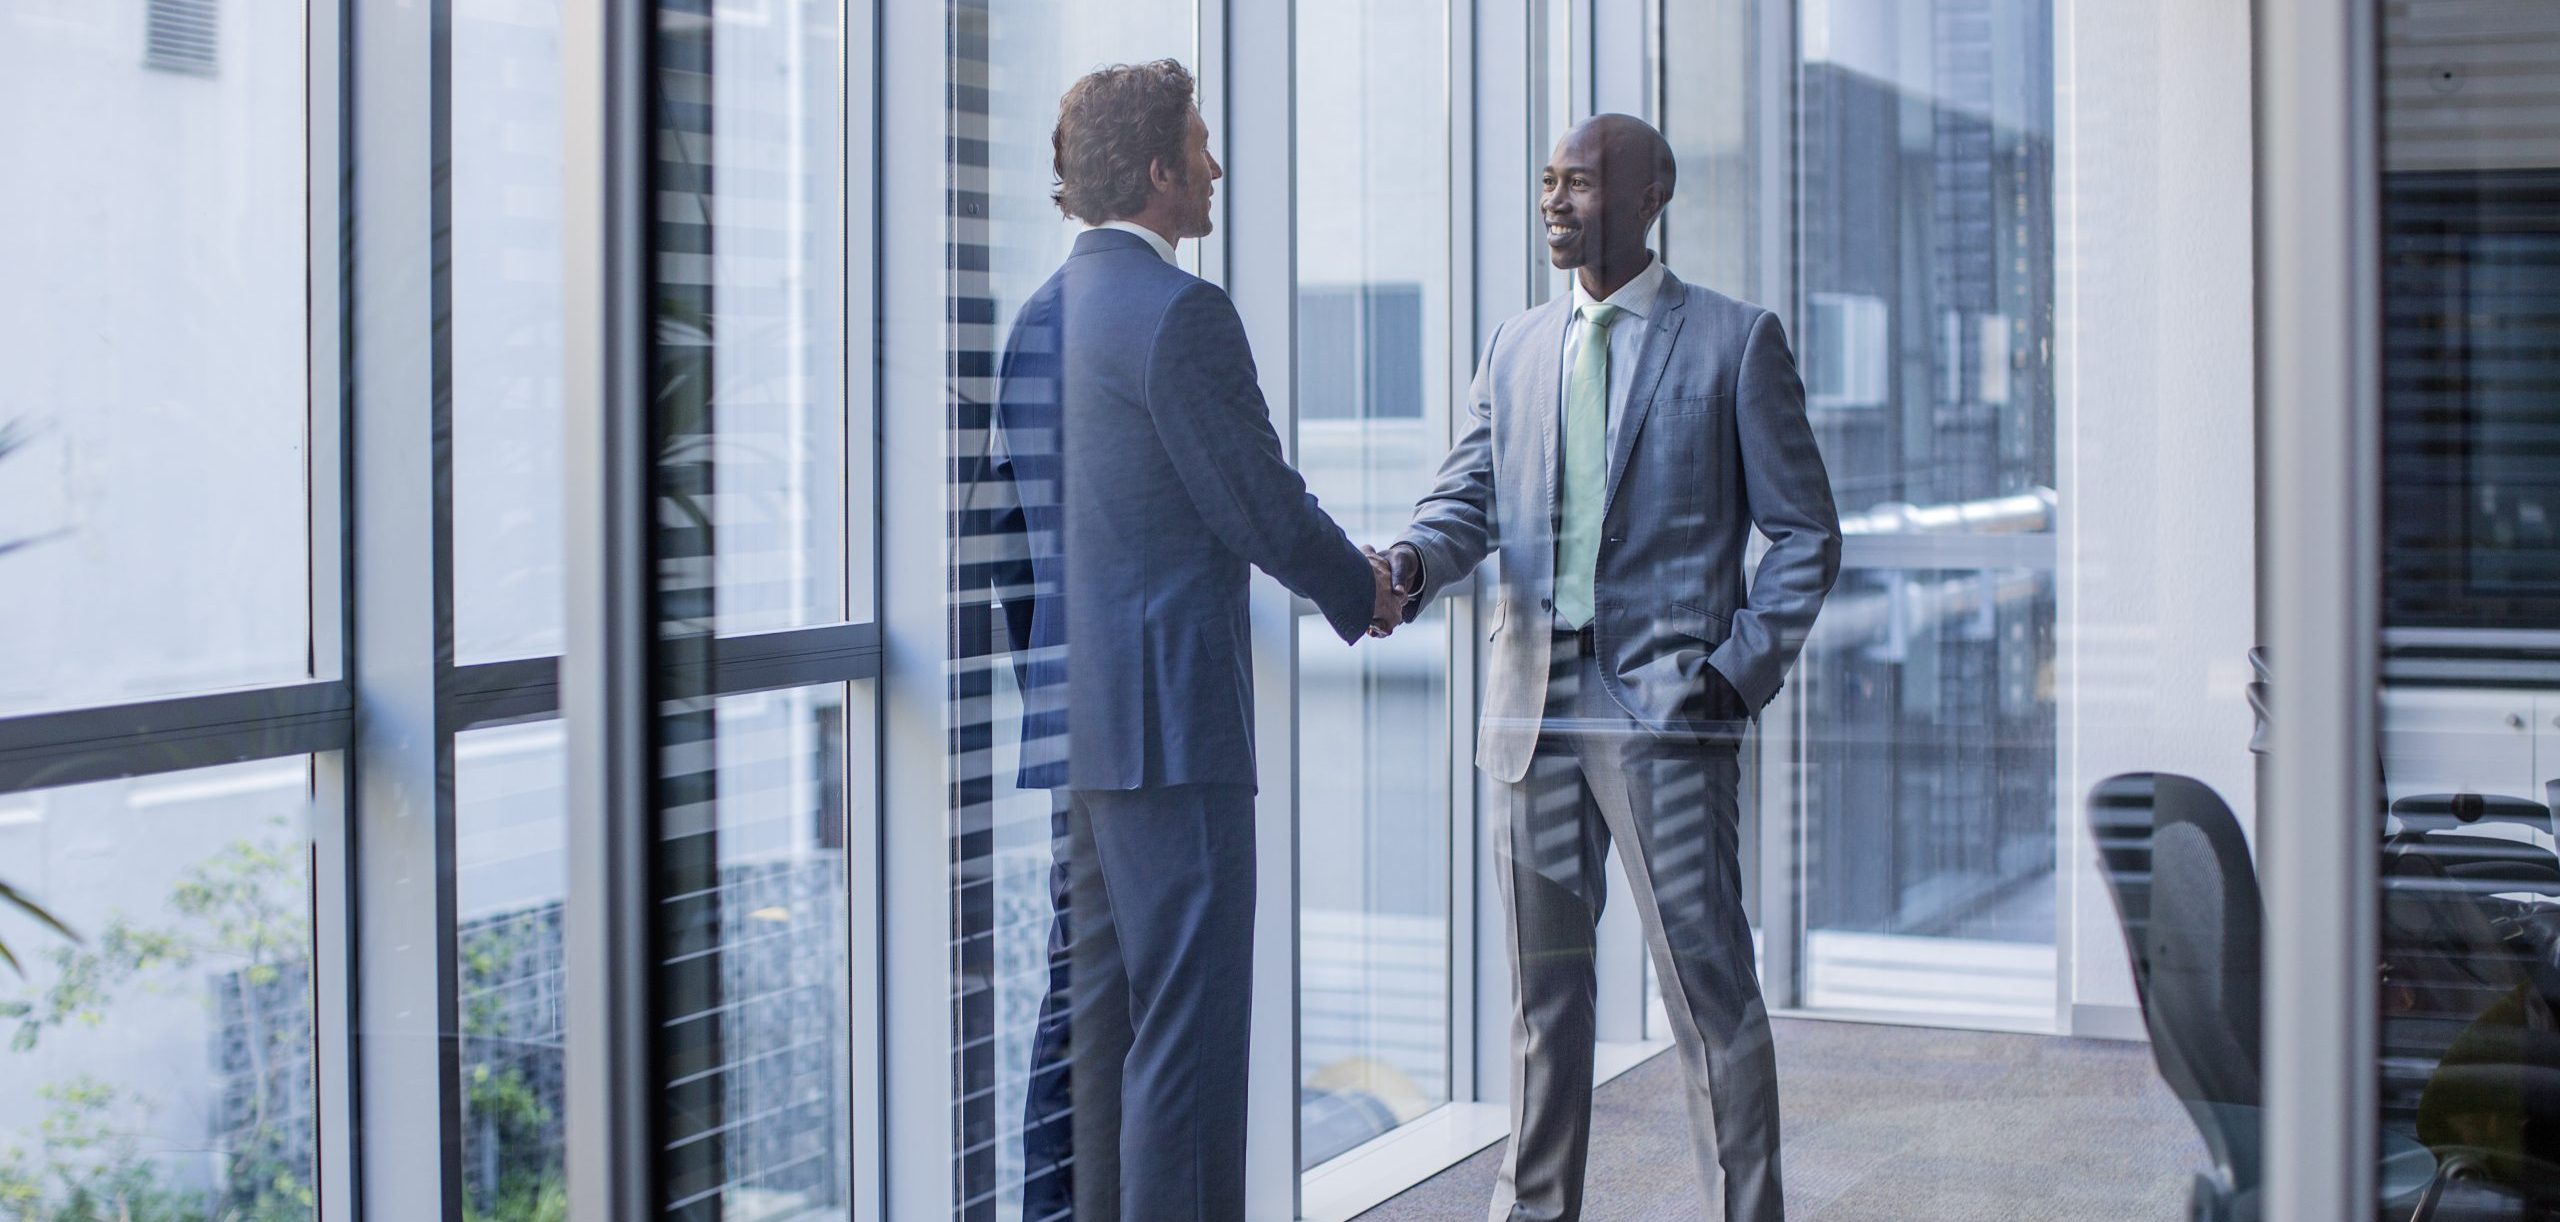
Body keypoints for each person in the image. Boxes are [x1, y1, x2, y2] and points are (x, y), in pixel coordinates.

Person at [1373, 113, 1841, 1222]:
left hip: (1667, 715)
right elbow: (1466, 502)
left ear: (1648, 194)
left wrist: (1732, 674)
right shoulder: (1517, 345)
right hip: (1526, 708)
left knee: (1708, 994)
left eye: (1578, 183)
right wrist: (1405, 560)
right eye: (1546, 183)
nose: (1553, 202)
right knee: (1544, 1004)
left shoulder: (1734, 341)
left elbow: (1806, 533)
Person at [983, 59, 1403, 1222]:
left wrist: (1065, 685)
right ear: (1160, 171)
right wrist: (1359, 589)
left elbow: (1001, 546)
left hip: (1083, 733)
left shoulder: (1036, 320)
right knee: (1188, 1033)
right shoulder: (1181, 313)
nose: (1217, 168)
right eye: (1203, 148)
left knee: (1085, 1022)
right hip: (1176, 735)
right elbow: (1256, 500)